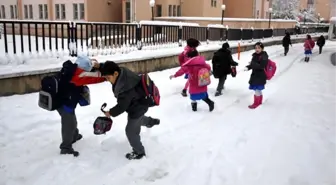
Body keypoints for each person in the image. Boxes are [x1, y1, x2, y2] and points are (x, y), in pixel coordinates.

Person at [100, 61, 160, 160]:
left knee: (130, 131)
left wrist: (110, 112)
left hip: (137, 109)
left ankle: (139, 152)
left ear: (115, 73)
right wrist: (100, 66)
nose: (107, 80)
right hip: (140, 102)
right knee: (137, 121)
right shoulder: (123, 72)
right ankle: (151, 121)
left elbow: (121, 107)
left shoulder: (125, 89)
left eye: (108, 78)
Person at [57, 56, 106, 156]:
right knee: (68, 123)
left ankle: (74, 136)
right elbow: (97, 78)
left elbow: (88, 69)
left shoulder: (73, 69)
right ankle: (65, 147)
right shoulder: (79, 75)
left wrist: (94, 64)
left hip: (64, 100)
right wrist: (106, 76)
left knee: (71, 119)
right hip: (64, 103)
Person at [244, 42, 268, 109]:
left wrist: (252, 63)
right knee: (257, 90)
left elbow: (261, 66)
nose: (257, 49)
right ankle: (259, 102)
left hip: (260, 76)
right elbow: (253, 64)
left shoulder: (264, 56)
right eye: (256, 48)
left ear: (262, 48)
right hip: (255, 75)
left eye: (259, 48)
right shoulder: (255, 55)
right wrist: (248, 67)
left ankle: (256, 103)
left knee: (257, 90)